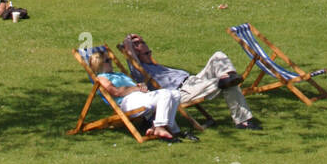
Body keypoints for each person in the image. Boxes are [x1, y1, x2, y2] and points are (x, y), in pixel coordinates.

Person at [120, 33, 261, 130]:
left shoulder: (153, 65)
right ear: (136, 53)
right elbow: (131, 57)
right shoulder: (139, 70)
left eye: (146, 46)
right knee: (226, 83)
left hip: (193, 81)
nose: (147, 51)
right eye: (139, 46)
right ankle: (243, 121)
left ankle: (227, 77)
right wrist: (128, 41)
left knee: (218, 56)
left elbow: (137, 51)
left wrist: (139, 40)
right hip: (182, 92)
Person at [87, 48, 181, 141]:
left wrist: (140, 86)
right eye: (107, 60)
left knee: (175, 94)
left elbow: (130, 87)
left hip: (139, 97)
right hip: (127, 102)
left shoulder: (118, 74)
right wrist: (136, 88)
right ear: (98, 65)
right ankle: (161, 128)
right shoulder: (101, 79)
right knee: (164, 94)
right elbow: (117, 92)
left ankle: (162, 128)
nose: (111, 62)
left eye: (110, 59)